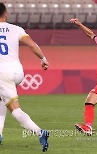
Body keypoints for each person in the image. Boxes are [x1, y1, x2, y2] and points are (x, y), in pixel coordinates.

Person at [0, 3, 49, 152]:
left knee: (14, 109)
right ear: (6, 13)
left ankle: (40, 132)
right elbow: (32, 44)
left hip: (2, 73)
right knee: (3, 99)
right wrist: (43, 58)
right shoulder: (16, 29)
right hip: (17, 72)